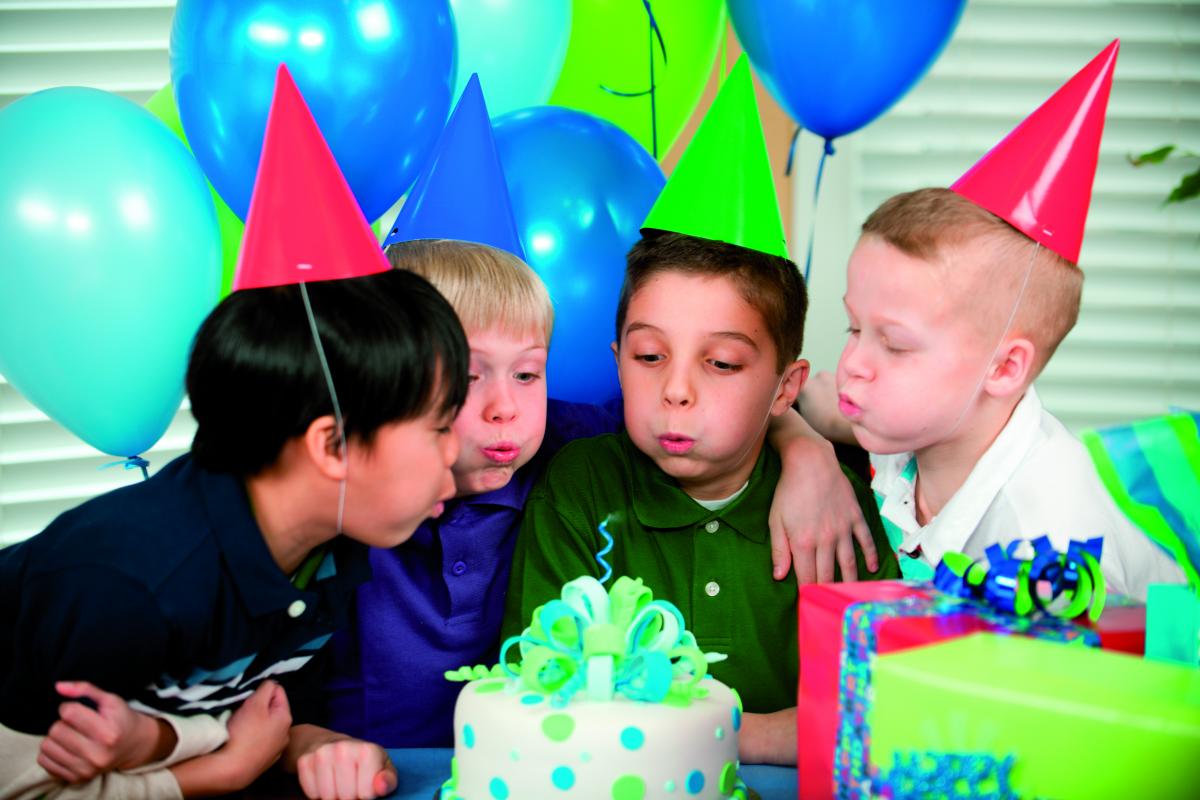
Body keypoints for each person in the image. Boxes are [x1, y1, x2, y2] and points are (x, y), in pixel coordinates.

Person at [323, 239, 878, 748]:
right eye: (467, 378)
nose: (677, 392)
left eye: (527, 374)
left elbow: (884, 707)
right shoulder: (571, 472)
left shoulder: (560, 441)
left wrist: (808, 449)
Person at [0, 269, 468, 798]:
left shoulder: (328, 550)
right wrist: (229, 770)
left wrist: (313, 744)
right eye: (441, 428)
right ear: (333, 445)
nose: (456, 452)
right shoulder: (125, 587)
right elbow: (24, 788)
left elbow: (259, 716)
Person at [803, 44, 1186, 601]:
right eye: (854, 329)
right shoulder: (910, 422)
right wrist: (800, 451)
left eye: (895, 345)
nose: (854, 367)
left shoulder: (1048, 547)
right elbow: (810, 406)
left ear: (1005, 368)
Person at [502, 230, 898, 766]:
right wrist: (759, 735)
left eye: (722, 363)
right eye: (649, 356)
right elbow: (544, 696)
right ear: (618, 360)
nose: (677, 389)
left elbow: (884, 708)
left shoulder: (833, 510)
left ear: (786, 388)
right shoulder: (580, 488)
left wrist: (739, 737)